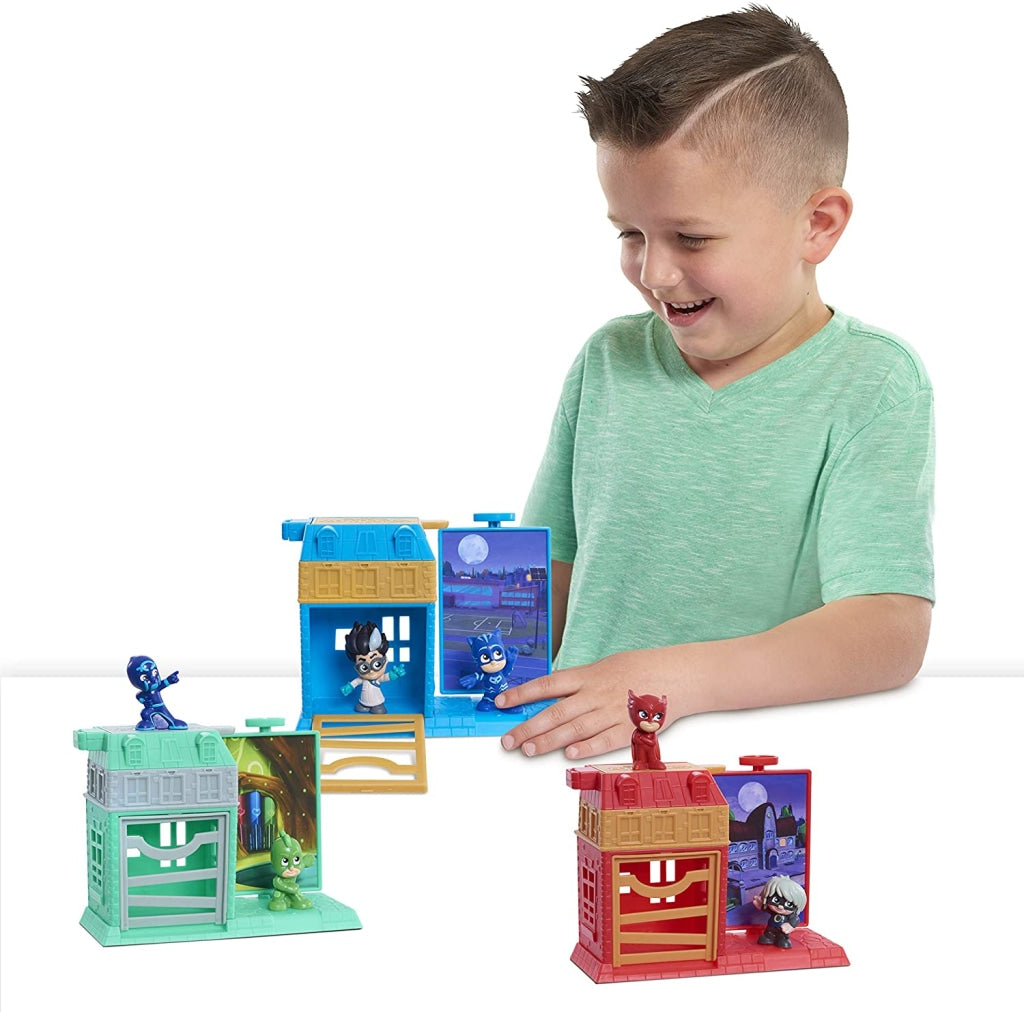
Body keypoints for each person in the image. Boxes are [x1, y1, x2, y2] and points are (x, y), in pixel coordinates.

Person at [497, 7, 934, 759]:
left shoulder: (871, 383)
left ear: (818, 225)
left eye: (691, 238)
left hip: (753, 761)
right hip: (570, 752)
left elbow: (889, 630)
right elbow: (543, 577)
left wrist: (674, 680)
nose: (654, 273)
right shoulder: (608, 361)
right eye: (630, 233)